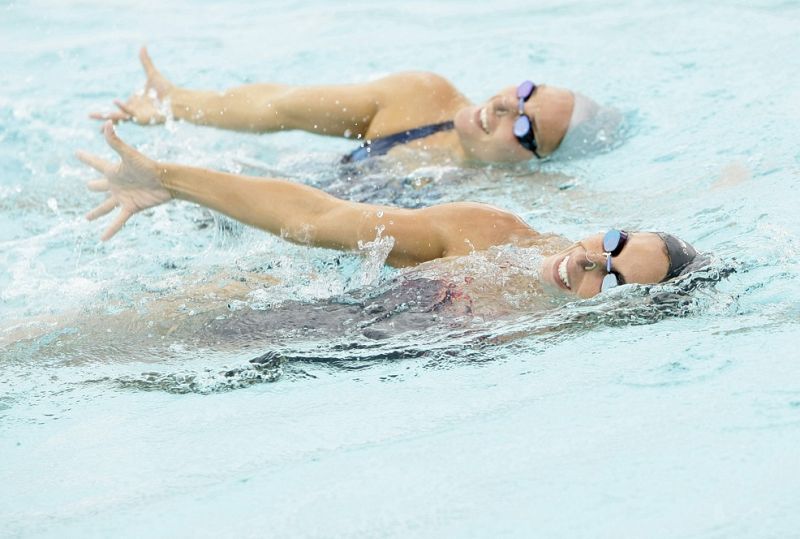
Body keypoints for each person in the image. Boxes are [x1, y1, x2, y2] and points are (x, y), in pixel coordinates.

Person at [77, 123, 700, 304]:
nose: (591, 260)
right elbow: (320, 218)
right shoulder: (485, 234)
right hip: (305, 320)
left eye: (613, 280)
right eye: (612, 242)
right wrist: (171, 179)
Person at [90, 47, 620, 166]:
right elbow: (279, 107)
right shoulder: (420, 97)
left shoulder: (505, 210)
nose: (505, 105)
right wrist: (178, 103)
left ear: (536, 165)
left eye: (526, 127)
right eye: (524, 91)